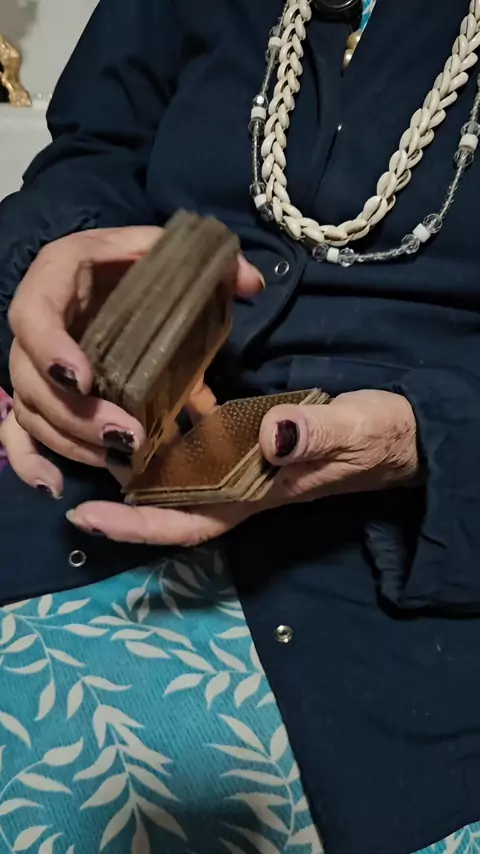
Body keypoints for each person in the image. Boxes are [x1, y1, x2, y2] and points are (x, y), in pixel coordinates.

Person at [0, 0, 479, 851]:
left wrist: (419, 436)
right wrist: (64, 261)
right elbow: (92, 150)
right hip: (83, 456)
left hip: (402, 603)